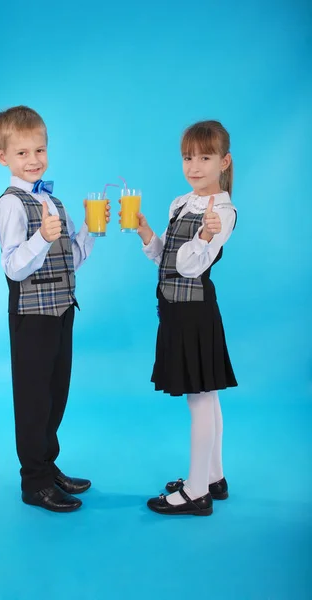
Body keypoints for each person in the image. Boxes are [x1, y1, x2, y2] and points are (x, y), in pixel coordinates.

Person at [0, 105, 109, 512]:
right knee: (33, 399)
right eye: (22, 153)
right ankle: (33, 482)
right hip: (31, 315)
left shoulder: (54, 201)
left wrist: (91, 231)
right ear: (3, 157)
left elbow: (70, 258)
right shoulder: (10, 205)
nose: (34, 160)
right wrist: (41, 236)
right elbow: (13, 266)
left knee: (56, 393)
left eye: (39, 150)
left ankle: (47, 464)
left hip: (62, 310)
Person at [137, 120, 238, 516]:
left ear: (224, 161)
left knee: (200, 401)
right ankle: (214, 476)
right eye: (187, 157)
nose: (194, 166)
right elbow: (166, 257)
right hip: (175, 311)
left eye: (205, 157)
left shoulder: (224, 212)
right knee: (207, 397)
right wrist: (147, 233)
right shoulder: (180, 202)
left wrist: (208, 235)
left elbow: (190, 265)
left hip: (195, 313)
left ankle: (196, 491)